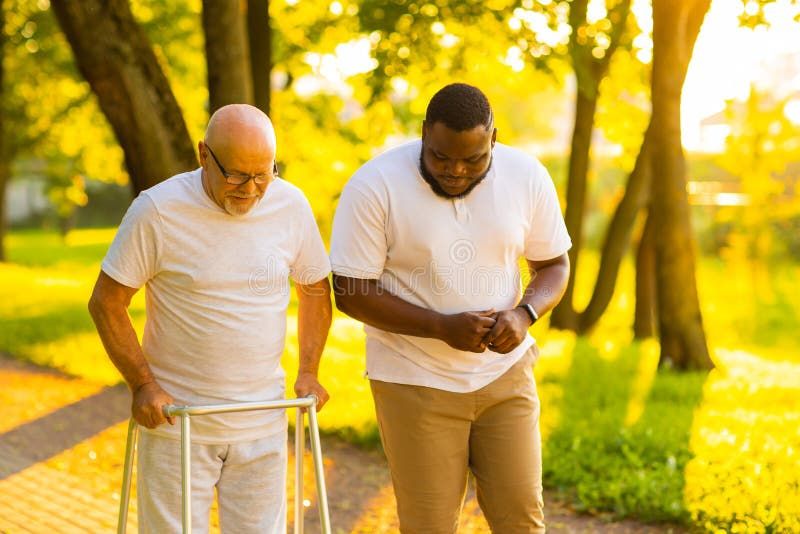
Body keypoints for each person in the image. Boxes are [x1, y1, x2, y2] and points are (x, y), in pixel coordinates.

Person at [330, 83, 571, 533]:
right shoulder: (375, 184)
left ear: (493, 140)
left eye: (473, 159)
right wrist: (440, 326)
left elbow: (554, 264)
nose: (455, 170)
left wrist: (524, 314)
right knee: (430, 526)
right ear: (424, 133)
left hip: (506, 378)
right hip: (414, 380)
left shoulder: (527, 176)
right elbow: (349, 290)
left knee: (522, 519)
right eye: (441, 157)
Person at [88, 104, 332, 533]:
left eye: (264, 174)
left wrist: (309, 372)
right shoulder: (158, 211)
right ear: (203, 154)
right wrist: (143, 385)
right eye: (236, 175)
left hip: (263, 419)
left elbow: (314, 288)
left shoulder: (289, 204)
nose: (252, 190)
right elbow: (107, 302)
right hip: (178, 422)